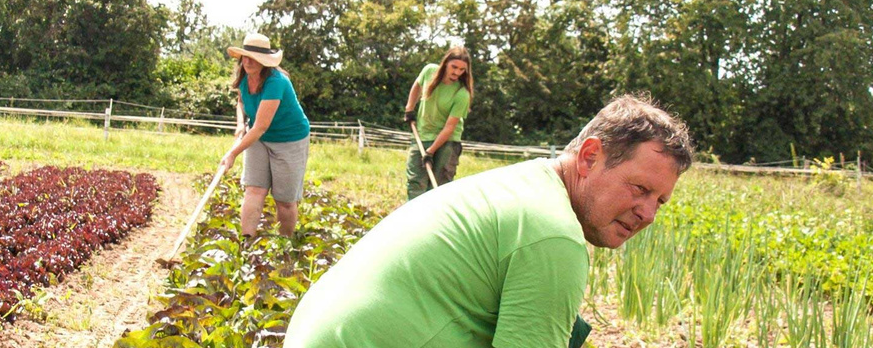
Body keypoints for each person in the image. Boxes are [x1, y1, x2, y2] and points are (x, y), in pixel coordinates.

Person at [286, 95, 694, 347]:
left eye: (661, 201)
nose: (648, 214)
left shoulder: (525, 183)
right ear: (589, 157)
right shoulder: (554, 235)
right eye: (640, 189)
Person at [219, 33, 311, 238]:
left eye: (253, 57)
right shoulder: (244, 77)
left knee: (285, 201)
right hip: (258, 138)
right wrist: (240, 123)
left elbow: (260, 126)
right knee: (254, 189)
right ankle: (247, 241)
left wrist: (233, 153)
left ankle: (283, 244)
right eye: (245, 56)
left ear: (265, 61)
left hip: (290, 139)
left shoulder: (276, 82)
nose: (248, 61)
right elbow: (241, 102)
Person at [403, 46, 474, 200]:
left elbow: (450, 127)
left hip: (447, 142)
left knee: (439, 187)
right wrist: (409, 108)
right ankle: (414, 220)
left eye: (462, 69)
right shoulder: (429, 71)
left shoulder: (462, 94)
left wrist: (431, 151)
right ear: (445, 63)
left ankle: (436, 222)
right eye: (454, 67)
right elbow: (417, 85)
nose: (456, 72)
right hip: (422, 134)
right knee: (415, 182)